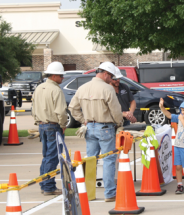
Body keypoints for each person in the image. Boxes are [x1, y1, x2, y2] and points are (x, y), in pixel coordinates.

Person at [68, 61, 123, 202]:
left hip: (89, 127)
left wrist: (83, 120)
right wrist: (119, 123)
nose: (112, 80)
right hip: (105, 127)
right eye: (111, 76)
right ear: (105, 74)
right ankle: (110, 193)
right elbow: (116, 111)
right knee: (108, 160)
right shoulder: (108, 89)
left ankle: (88, 193)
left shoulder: (83, 88)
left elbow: (72, 107)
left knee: (91, 159)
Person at [32, 61, 67, 196]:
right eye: (61, 76)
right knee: (52, 157)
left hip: (42, 125)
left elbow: (33, 108)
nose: (62, 78)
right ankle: (48, 186)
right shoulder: (56, 90)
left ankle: (44, 183)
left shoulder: (39, 88)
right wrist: (63, 124)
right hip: (53, 126)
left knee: (47, 156)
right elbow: (61, 112)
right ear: (54, 76)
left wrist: (38, 121)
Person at [159, 97, 184, 194]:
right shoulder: (181, 117)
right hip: (177, 145)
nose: (182, 112)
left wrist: (182, 120)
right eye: (181, 110)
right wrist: (162, 107)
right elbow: (169, 115)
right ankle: (180, 185)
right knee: (178, 167)